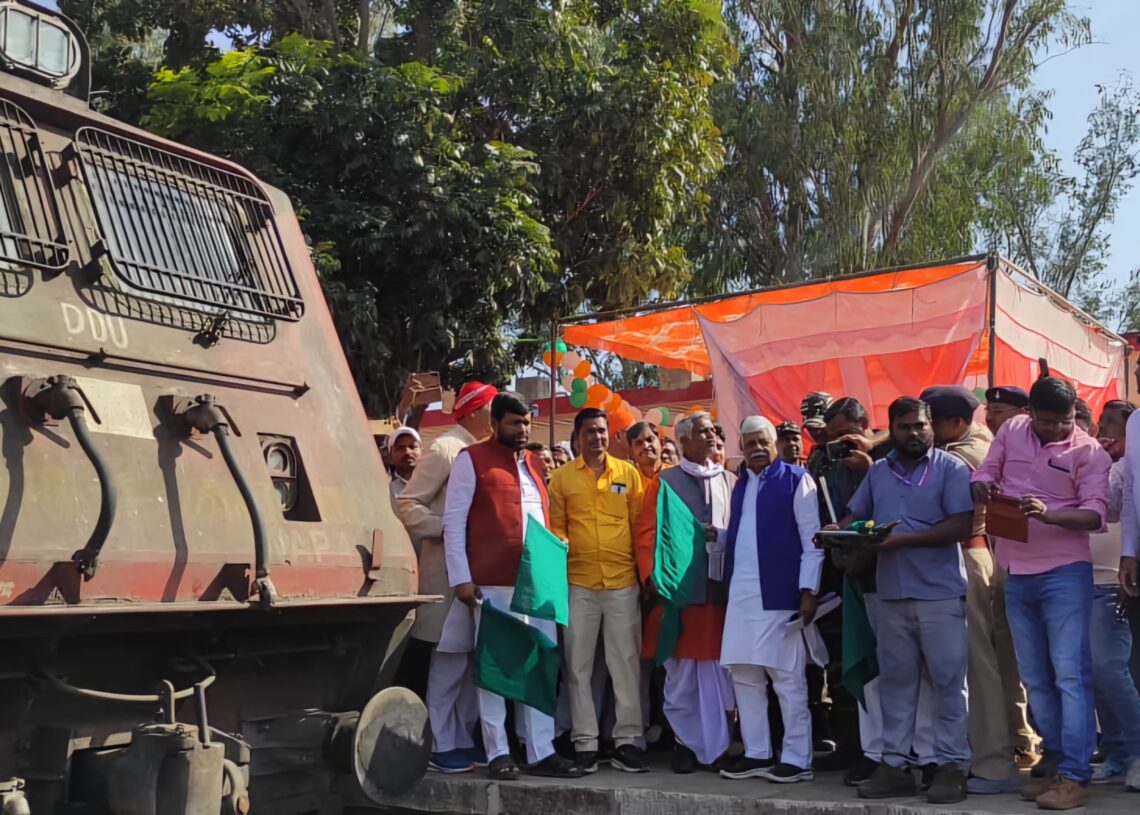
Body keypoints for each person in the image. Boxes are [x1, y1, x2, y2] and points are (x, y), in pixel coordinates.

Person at [972, 377, 1112, 810]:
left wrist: (1050, 515)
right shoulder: (1012, 430)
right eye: (1048, 421)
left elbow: (1095, 515)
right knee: (1035, 677)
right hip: (1015, 571)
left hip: (1065, 573)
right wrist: (982, 486)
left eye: (1065, 421)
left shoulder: (1089, 451)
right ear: (1030, 414)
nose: (1057, 429)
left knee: (1070, 674)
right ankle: (1054, 763)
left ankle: (1075, 775)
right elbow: (986, 471)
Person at [838, 397, 973, 804]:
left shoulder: (951, 468)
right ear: (891, 430)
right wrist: (836, 532)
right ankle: (894, 766)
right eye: (904, 427)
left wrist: (904, 540)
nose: (914, 433)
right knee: (897, 685)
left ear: (931, 426)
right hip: (891, 594)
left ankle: (952, 767)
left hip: (940, 595)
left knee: (948, 683)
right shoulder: (878, 472)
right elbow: (855, 516)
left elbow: (962, 524)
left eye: (920, 425)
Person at [443, 392, 584, 780]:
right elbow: (453, 523)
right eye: (514, 423)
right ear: (495, 423)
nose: (522, 430)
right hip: (491, 585)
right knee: (496, 668)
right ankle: (498, 752)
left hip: (537, 585)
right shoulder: (471, 460)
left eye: (526, 423)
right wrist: (461, 578)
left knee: (538, 665)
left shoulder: (535, 466)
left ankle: (540, 751)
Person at [921, 386, 1024, 794]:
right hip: (983, 560)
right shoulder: (982, 442)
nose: (924, 431)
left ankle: (993, 762)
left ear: (956, 423)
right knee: (999, 662)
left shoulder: (961, 457)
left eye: (929, 422)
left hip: (965, 559)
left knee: (977, 667)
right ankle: (1016, 742)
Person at [397, 381, 496, 773]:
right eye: (491, 407)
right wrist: (449, 527)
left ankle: (463, 738)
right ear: (474, 412)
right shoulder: (444, 449)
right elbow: (408, 504)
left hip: (479, 572)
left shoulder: (483, 451)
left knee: (474, 662)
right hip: (446, 574)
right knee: (448, 661)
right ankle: (439, 742)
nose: (495, 413)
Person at [719, 416, 822, 783]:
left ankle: (797, 758)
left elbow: (814, 541)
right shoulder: (741, 484)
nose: (757, 449)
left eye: (763, 442)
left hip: (781, 596)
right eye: (750, 443)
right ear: (741, 448)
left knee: (786, 679)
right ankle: (757, 752)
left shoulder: (798, 480)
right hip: (741, 597)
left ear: (775, 443)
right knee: (744, 675)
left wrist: (808, 591)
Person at [635, 412, 736, 773]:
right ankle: (684, 745)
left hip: (720, 592)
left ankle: (720, 745)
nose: (711, 436)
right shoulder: (664, 482)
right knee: (681, 675)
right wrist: (653, 580)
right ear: (683, 442)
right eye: (702, 432)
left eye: (713, 430)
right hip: (679, 593)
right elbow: (647, 535)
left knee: (720, 674)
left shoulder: (730, 480)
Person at [549, 409, 647, 774]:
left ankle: (627, 742)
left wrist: (644, 578)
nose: (597, 438)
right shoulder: (561, 479)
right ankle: (585, 743)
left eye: (602, 431)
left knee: (624, 663)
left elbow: (639, 528)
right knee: (578, 666)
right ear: (577, 438)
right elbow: (557, 528)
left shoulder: (628, 474)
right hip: (578, 582)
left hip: (623, 582)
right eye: (590, 432)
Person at [1089, 400, 1140, 789]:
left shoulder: (1121, 466)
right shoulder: (1103, 464)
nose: (1104, 430)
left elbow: (1115, 507)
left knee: (1111, 667)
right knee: (1101, 669)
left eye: (1112, 424)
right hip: (1097, 579)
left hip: (1111, 582)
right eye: (1100, 423)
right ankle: (1122, 752)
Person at [387, 426, 422, 507]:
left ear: (422, 451)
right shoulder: (388, 491)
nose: (407, 452)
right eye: (400, 448)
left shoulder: (437, 484)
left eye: (413, 447)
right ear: (390, 456)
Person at [626, 422, 664, 488]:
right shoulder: (626, 478)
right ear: (631, 452)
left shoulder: (676, 475)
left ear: (662, 443)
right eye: (638, 443)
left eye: (650, 440)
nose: (645, 446)